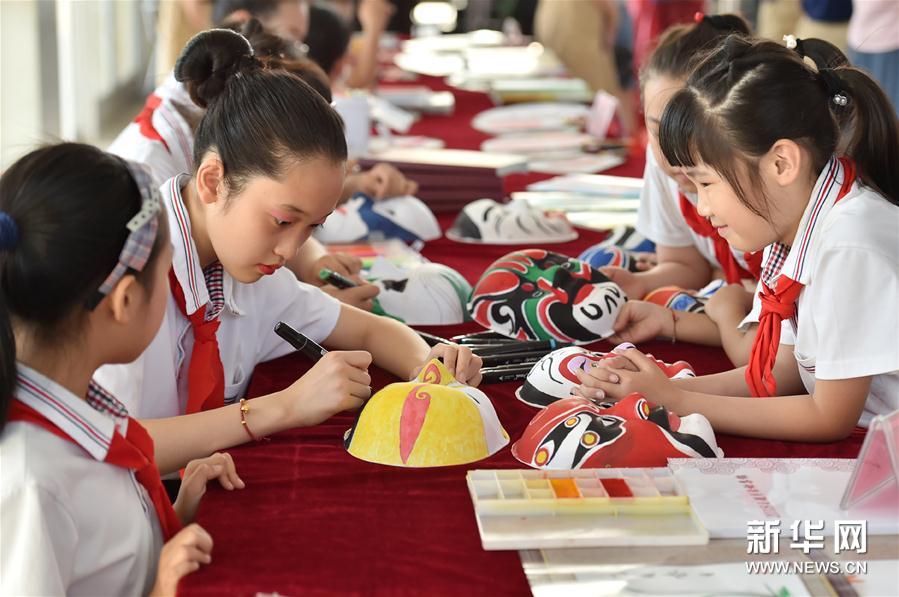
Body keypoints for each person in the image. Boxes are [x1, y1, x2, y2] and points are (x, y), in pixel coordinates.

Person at [95, 29, 482, 473]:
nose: (289, 251)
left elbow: (375, 332)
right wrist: (283, 408)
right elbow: (108, 442)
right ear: (212, 181)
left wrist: (429, 364)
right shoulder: (125, 271)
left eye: (312, 227)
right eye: (282, 220)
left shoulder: (246, 272)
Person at [577, 36, 899, 442]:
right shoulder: (791, 224)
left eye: (706, 182)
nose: (704, 206)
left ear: (781, 163)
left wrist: (677, 401)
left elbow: (827, 417)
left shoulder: (848, 245)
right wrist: (655, 390)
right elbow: (781, 372)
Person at [0, 144, 245, 594]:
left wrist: (176, 513)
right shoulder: (31, 481)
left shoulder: (75, 406)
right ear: (125, 300)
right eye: (166, 269)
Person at [592, 13, 760, 366]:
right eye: (656, 129)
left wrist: (726, 299)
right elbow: (686, 262)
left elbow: (781, 344)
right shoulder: (667, 165)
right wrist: (643, 282)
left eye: (685, 130)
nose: (671, 152)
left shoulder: (762, 184)